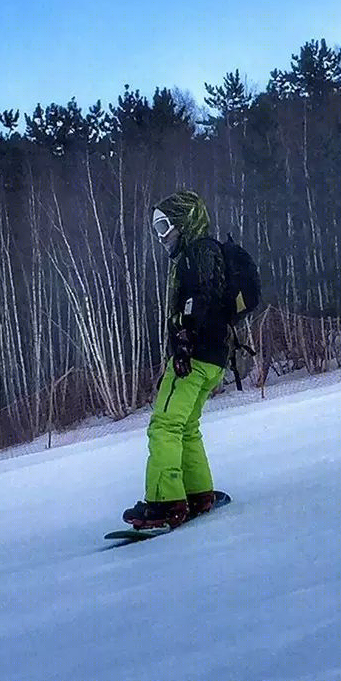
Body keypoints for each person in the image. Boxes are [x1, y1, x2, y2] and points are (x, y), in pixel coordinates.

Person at [123, 190, 230, 529]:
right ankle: (199, 492)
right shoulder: (209, 252)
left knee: (165, 425)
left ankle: (164, 502)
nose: (162, 236)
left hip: (194, 355)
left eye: (165, 226)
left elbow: (197, 299)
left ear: (184, 222)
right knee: (186, 426)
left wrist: (184, 339)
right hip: (214, 356)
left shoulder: (195, 254)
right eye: (157, 228)